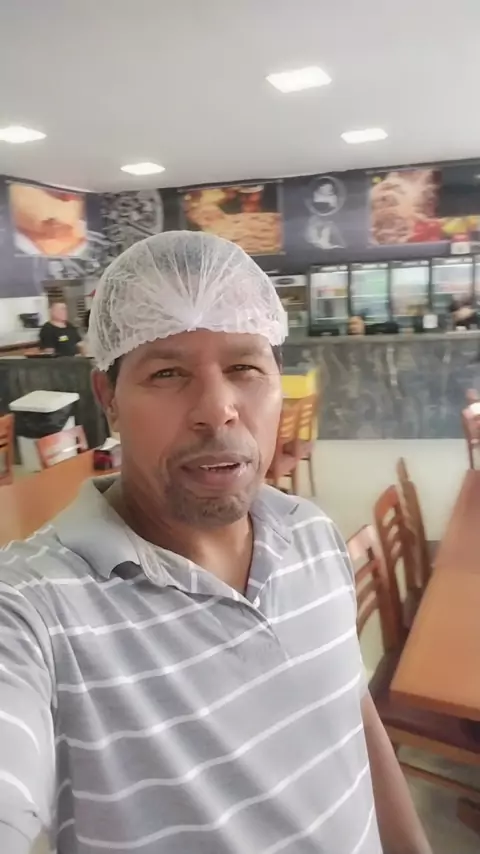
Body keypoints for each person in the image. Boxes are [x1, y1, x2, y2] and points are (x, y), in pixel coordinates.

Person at [0, 232, 432, 854]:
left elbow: (350, 716)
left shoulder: (314, 535)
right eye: (167, 372)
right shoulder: (36, 611)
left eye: (244, 368)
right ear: (108, 400)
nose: (216, 408)